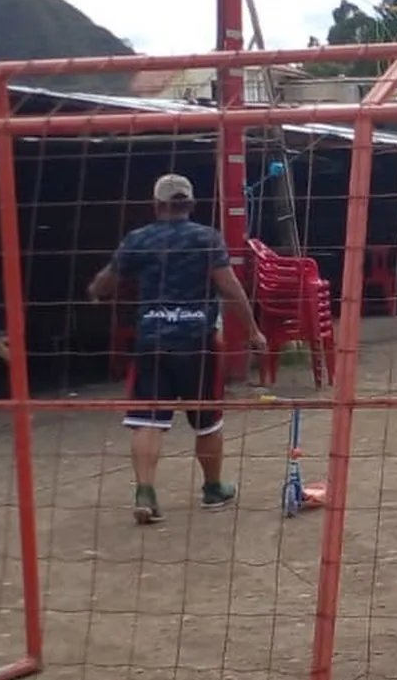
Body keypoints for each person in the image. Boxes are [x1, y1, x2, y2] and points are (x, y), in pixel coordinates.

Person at [87, 173, 267, 525]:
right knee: (207, 421)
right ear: (191, 204)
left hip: (153, 340)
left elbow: (106, 281)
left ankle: (145, 493)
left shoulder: (139, 240)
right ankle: (213, 489)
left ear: (156, 205)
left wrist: (94, 292)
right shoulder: (206, 238)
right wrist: (254, 331)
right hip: (197, 342)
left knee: (147, 420)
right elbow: (230, 288)